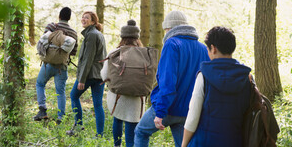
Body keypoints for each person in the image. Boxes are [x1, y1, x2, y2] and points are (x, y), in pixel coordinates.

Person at [134, 10, 210, 147]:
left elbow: (167, 83)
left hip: (169, 108)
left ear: (169, 28)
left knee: (140, 132)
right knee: (183, 144)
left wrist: (160, 112)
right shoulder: (203, 49)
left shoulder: (172, 44)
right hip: (189, 111)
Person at [181, 26, 251, 147]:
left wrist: (183, 144)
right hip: (235, 141)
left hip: (204, 142)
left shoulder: (204, 76)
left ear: (213, 48)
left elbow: (192, 118)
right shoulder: (247, 77)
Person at [101, 19, 145, 147]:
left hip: (118, 96)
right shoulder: (144, 54)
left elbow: (104, 75)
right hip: (137, 97)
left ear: (122, 37)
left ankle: (117, 145)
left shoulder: (114, 53)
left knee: (118, 119)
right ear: (137, 37)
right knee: (132, 125)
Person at [34, 7, 78, 124]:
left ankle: (42, 110)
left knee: (39, 84)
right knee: (60, 92)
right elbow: (74, 51)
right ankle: (60, 117)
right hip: (61, 67)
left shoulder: (51, 27)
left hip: (47, 65)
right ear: (69, 18)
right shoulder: (73, 33)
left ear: (59, 16)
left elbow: (42, 41)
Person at [67, 11, 107, 137]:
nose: (83, 19)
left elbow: (88, 59)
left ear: (93, 22)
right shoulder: (96, 34)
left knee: (74, 95)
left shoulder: (92, 35)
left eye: (87, 18)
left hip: (90, 75)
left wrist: (82, 79)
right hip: (100, 75)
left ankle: (78, 127)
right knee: (98, 104)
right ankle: (99, 134)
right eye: (83, 17)